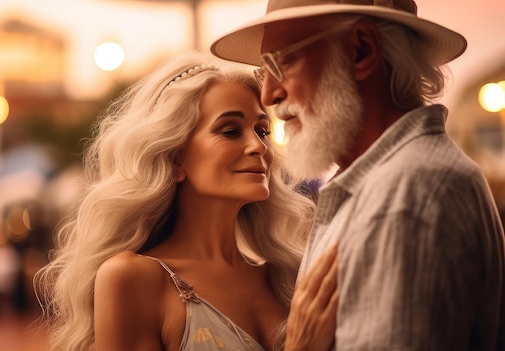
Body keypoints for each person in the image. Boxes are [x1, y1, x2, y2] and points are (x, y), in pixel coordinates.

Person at [211, 0, 505, 350]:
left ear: (361, 51)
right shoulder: (388, 184)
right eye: (264, 70)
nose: (269, 94)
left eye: (284, 61)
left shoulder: (405, 196)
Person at [35, 51, 338, 351]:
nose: (258, 146)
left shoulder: (286, 274)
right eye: (231, 131)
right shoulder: (132, 279)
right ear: (175, 157)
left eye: (262, 131)